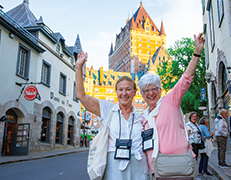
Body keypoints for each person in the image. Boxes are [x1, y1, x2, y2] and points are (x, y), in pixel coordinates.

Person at [138, 33, 205, 179]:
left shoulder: (170, 101)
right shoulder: (144, 117)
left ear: (160, 90)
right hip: (158, 170)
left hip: (181, 165)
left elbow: (185, 79)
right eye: (146, 90)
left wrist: (197, 53)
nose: (150, 93)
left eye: (154, 88)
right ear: (142, 94)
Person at [75, 52, 149, 180]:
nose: (124, 93)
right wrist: (78, 67)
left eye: (128, 89)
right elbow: (81, 96)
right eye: (120, 90)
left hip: (139, 167)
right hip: (113, 167)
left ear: (135, 92)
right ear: (116, 92)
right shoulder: (107, 108)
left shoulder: (141, 117)